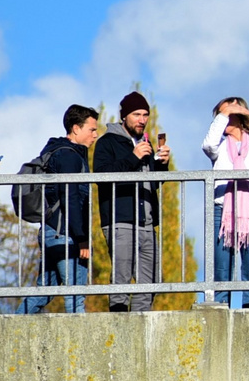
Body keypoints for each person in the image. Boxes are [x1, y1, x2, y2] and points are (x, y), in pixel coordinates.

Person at [93, 91, 173, 313]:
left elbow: (152, 185)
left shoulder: (144, 143)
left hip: (147, 224)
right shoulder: (107, 142)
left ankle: (140, 326)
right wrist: (133, 157)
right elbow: (101, 175)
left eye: (145, 114)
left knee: (149, 283)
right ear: (124, 116)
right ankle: (119, 329)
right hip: (121, 222)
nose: (142, 119)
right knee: (121, 280)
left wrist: (161, 165)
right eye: (137, 114)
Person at [202, 96, 249, 309]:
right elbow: (207, 144)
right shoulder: (218, 145)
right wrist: (226, 112)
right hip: (222, 210)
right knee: (221, 266)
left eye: (227, 113)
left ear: (240, 115)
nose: (222, 118)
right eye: (220, 115)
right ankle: (220, 307)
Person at [21, 104, 97, 314]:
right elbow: (70, 197)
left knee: (43, 293)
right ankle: (82, 345)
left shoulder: (61, 152)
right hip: (65, 235)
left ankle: (6, 331)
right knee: (75, 297)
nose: (95, 134)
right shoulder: (69, 156)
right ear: (76, 128)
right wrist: (81, 237)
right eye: (91, 129)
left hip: (52, 232)